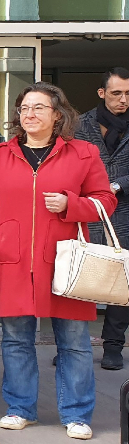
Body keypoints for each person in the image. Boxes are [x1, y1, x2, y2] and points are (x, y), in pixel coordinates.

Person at [0, 83, 115, 441]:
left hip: (65, 259)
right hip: (13, 259)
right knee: (17, 338)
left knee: (74, 342)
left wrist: (72, 205)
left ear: (57, 115)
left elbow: (104, 200)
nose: (30, 114)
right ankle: (20, 408)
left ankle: (77, 414)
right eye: (24, 108)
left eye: (39, 108)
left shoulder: (83, 154)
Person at [73, 66, 129, 371]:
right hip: (88, 209)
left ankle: (113, 346)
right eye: (117, 93)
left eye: (128, 94)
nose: (123, 100)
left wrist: (118, 184)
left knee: (121, 279)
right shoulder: (81, 125)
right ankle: (75, 343)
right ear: (102, 93)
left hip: (124, 211)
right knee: (84, 275)